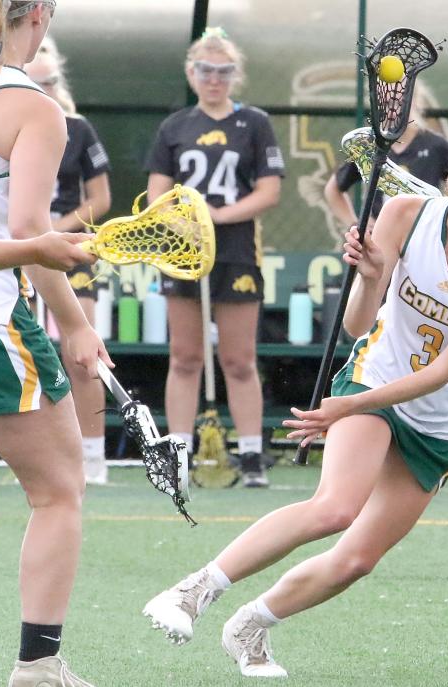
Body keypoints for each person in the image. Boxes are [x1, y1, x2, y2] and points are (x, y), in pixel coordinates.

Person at [143, 130, 448, 678]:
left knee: (357, 560)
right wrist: (372, 277)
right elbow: (356, 325)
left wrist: (345, 409)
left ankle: (251, 625)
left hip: (440, 419)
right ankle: (193, 591)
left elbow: (444, 371)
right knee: (334, 508)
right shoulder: (404, 214)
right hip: (374, 378)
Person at [0, 0, 115, 687]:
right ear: (39, 14)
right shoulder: (32, 108)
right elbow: (33, 233)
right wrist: (75, 322)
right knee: (59, 489)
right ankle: (38, 666)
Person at [146, 27, 284, 488]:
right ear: (192, 73)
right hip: (184, 253)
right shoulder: (175, 126)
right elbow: (157, 194)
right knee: (185, 357)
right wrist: (186, 222)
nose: (214, 79)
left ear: (235, 76)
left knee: (239, 358)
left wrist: (219, 217)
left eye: (224, 72)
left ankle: (249, 455)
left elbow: (269, 190)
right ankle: (179, 454)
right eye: (206, 71)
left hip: (236, 252)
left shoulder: (254, 124)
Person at [24, 36, 112, 485]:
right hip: (20, 246)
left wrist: (59, 226)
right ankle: (38, 453)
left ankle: (93, 454)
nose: (45, 88)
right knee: (25, 351)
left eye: (51, 80)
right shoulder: (9, 120)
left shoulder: (77, 128)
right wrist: (33, 232)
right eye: (34, 81)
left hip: (70, 246)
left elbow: (100, 197)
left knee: (81, 352)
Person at [323, 89, 448, 229]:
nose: (392, 110)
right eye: (386, 104)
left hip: (422, 233)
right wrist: (355, 224)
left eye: (398, 103)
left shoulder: (435, 146)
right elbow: (333, 189)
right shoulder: (370, 146)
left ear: (414, 102)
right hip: (381, 238)